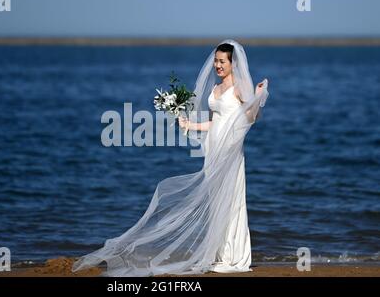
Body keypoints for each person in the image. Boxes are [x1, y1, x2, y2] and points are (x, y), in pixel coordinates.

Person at [72, 39, 269, 277]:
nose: (217, 65)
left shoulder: (239, 87)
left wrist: (259, 96)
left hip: (230, 151)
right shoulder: (216, 89)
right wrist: (190, 124)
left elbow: (251, 117)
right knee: (216, 203)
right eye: (216, 61)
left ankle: (234, 256)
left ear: (232, 63)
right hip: (213, 151)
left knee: (231, 201)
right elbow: (217, 122)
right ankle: (220, 254)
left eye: (222, 61)